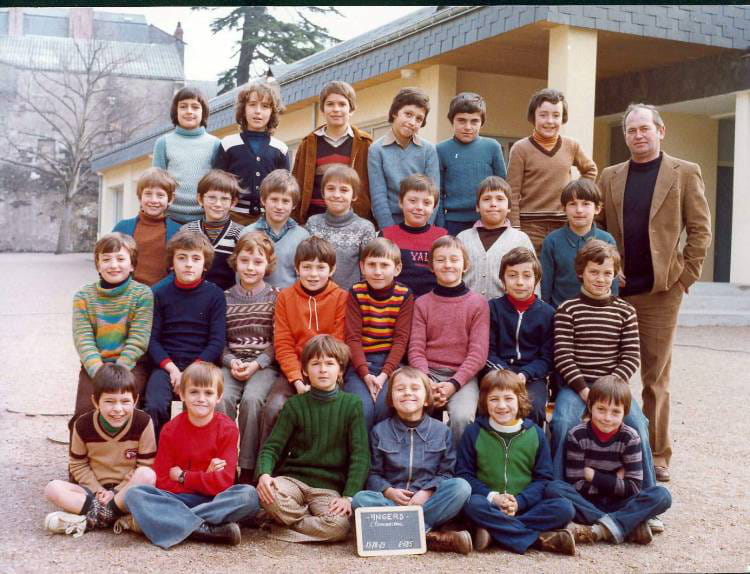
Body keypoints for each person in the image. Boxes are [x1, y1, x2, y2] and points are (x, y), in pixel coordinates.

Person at [599, 103, 712, 482]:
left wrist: (685, 277)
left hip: (661, 292)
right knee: (611, 376)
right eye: (631, 130)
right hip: (616, 292)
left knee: (655, 378)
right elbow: (600, 228)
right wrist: (608, 268)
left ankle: (657, 453)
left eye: (644, 128)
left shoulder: (685, 172)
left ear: (660, 131)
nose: (638, 135)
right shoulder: (610, 176)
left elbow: (700, 229)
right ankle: (610, 449)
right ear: (625, 135)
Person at [118, 362, 260, 549]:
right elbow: (162, 480)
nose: (201, 399)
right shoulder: (170, 430)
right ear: (182, 394)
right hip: (179, 499)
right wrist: (206, 477)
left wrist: (183, 476)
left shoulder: (227, 429)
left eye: (208, 393)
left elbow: (224, 483)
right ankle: (206, 529)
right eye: (194, 392)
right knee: (135, 495)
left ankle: (170, 522)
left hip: (215, 499)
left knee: (248, 496)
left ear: (219, 396)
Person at [551, 240, 655, 489]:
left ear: (616, 275)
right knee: (563, 423)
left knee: (638, 425)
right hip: (577, 387)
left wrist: (607, 391)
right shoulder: (568, 309)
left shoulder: (625, 311)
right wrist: (585, 391)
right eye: (594, 272)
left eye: (607, 273)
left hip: (613, 389)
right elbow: (563, 356)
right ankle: (558, 490)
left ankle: (647, 492)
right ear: (581, 272)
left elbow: (630, 357)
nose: (600, 279)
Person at [256, 335, 369, 542]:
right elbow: (272, 447)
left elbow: (360, 456)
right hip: (293, 481)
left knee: (339, 526)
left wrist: (348, 496)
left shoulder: (352, 405)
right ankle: (305, 522)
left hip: (328, 489)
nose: (323, 369)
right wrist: (264, 474)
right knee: (268, 496)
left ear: (340, 370)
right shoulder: (295, 405)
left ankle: (279, 525)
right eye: (316, 364)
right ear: (306, 371)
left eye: (329, 364)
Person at [352, 366, 473, 554]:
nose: (407, 393)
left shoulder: (441, 431)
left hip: (428, 502)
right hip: (392, 504)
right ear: (391, 399)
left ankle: (404, 532)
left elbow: (446, 473)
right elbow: (373, 473)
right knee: (360, 500)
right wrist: (388, 491)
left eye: (415, 388)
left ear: (427, 399)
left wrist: (427, 492)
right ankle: (428, 536)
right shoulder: (379, 431)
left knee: (461, 487)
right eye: (400, 389)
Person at [458, 370, 576, 555]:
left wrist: (519, 502)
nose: (501, 405)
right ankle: (538, 539)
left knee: (564, 508)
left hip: (525, 507)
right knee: (472, 505)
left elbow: (543, 479)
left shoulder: (536, 434)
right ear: (484, 401)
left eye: (508, 398)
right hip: (489, 505)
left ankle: (494, 533)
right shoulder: (474, 432)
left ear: (520, 399)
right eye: (494, 399)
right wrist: (493, 497)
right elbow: (464, 474)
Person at [545, 376, 672, 546]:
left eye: (615, 412)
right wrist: (615, 480)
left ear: (625, 412)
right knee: (554, 488)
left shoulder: (631, 437)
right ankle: (625, 525)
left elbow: (634, 487)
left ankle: (600, 529)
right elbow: (577, 485)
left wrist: (593, 476)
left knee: (662, 495)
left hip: (620, 502)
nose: (607, 418)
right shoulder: (577, 435)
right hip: (587, 502)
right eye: (601, 409)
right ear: (590, 407)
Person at [44, 364, 156, 537]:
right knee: (52, 488)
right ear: (96, 402)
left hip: (127, 491)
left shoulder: (143, 421)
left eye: (125, 401)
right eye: (109, 401)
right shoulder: (82, 424)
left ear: (135, 400)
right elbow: (78, 464)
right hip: (93, 492)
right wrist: (98, 491)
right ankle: (116, 515)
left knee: (147, 475)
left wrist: (116, 493)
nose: (118, 409)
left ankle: (90, 519)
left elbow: (145, 463)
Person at [260, 236, 348, 443]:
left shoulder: (341, 297)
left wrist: (321, 378)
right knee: (273, 408)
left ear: (332, 270)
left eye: (320, 267)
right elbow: (283, 344)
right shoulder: (285, 297)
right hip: (294, 371)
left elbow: (338, 344)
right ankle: (265, 462)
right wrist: (298, 380)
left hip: (329, 371)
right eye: (307, 267)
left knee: (333, 413)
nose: (313, 274)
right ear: (297, 268)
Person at [144, 230, 226, 439]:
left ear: (205, 264)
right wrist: (172, 369)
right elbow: (152, 340)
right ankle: (157, 453)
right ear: (172, 263)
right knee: (154, 404)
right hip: (167, 365)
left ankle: (199, 452)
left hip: (201, 365)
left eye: (195, 259)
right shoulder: (160, 294)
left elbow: (216, 342)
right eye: (182, 258)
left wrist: (190, 371)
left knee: (201, 405)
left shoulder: (215, 295)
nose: (189, 264)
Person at [408, 235, 489, 446]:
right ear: (431, 266)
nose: (447, 265)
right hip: (427, 373)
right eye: (440, 260)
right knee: (413, 409)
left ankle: (455, 464)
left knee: (462, 417)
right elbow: (416, 349)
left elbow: (478, 354)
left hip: (462, 376)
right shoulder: (422, 303)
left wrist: (453, 384)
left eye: (454, 259)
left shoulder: (478, 304)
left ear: (465, 265)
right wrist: (427, 381)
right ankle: (425, 461)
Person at [70, 233, 153, 431]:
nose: (113, 265)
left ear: (132, 265)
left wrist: (118, 373)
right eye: (106, 259)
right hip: (95, 366)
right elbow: (83, 339)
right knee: (84, 414)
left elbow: (138, 339)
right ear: (98, 265)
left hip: (131, 365)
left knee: (127, 411)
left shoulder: (142, 294)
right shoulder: (83, 296)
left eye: (120, 259)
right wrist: (100, 373)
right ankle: (80, 451)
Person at [218, 232, 281, 484]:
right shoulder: (224, 298)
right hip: (232, 362)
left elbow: (278, 340)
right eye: (244, 261)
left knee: (253, 400)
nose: (250, 268)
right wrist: (230, 361)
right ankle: (223, 464)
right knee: (221, 397)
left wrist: (257, 363)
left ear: (268, 265)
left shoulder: (276, 296)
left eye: (257, 262)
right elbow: (220, 341)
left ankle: (247, 468)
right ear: (235, 261)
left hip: (263, 365)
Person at [506, 88, 597, 252]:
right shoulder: (520, 149)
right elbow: (512, 192)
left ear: (563, 118)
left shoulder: (572, 146)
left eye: (556, 115)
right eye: (543, 115)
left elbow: (590, 170)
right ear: (533, 116)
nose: (550, 121)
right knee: (532, 268)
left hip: (564, 225)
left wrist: (576, 193)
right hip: (530, 228)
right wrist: (516, 230)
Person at [344, 238, 414, 431]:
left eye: (384, 265)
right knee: (361, 408)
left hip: (391, 364)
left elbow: (401, 341)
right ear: (362, 267)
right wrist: (366, 375)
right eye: (372, 265)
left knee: (386, 406)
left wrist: (384, 375)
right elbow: (353, 338)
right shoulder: (356, 292)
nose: (377, 271)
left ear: (397, 269)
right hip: (360, 362)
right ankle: (361, 451)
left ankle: (382, 450)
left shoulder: (404, 295)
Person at [486, 247, 554, 427]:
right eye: (512, 275)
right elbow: (487, 352)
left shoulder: (548, 313)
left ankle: (532, 443)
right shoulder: (492, 309)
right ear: (502, 280)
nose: (520, 282)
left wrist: (525, 374)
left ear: (536, 279)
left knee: (534, 407)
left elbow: (547, 358)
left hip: (532, 376)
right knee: (487, 406)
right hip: (497, 372)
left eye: (527, 276)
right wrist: (505, 374)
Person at [292, 80, 373, 223]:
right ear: (322, 109)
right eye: (330, 104)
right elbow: (297, 183)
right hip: (314, 220)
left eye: (342, 104)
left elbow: (372, 186)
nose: (336, 109)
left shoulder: (365, 143)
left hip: (353, 221)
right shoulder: (308, 144)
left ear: (351, 110)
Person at [214, 81, 290, 226]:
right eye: (252, 104)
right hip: (232, 217)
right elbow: (217, 184)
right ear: (243, 109)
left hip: (268, 219)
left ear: (272, 112)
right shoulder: (228, 144)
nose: (258, 111)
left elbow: (284, 189)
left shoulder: (280, 149)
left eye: (265, 106)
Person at [368, 87, 440, 228]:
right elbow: (378, 197)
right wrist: (389, 231)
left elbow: (434, 195)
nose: (412, 122)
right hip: (391, 222)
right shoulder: (377, 150)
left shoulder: (428, 150)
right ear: (395, 112)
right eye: (408, 114)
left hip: (422, 223)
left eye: (419, 119)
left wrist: (425, 228)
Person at [540, 178, 618, 308]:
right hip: (560, 312)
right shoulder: (552, 241)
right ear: (564, 208)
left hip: (598, 313)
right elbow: (545, 284)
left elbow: (613, 284)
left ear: (597, 208)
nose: (579, 210)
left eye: (586, 204)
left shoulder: (607, 240)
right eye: (572, 204)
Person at [437, 92, 507, 235]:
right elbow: (438, 192)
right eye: (461, 120)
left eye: (474, 121)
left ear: (482, 122)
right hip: (453, 223)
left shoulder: (492, 147)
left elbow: (503, 187)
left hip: (488, 220)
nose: (468, 127)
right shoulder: (441, 150)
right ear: (452, 120)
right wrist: (441, 226)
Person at [458, 176, 534, 300]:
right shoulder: (462, 238)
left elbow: (533, 279)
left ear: (509, 207)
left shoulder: (521, 240)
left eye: (500, 199)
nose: (493, 204)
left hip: (507, 310)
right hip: (466, 309)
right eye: (487, 199)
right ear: (477, 206)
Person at [153, 86, 220, 224]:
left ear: (203, 112)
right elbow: (156, 183)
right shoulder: (163, 143)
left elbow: (218, 184)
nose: (189, 111)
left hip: (205, 219)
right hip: (170, 218)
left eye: (195, 107)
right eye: (183, 106)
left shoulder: (215, 144)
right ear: (175, 111)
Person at [305, 165, 377, 290]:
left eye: (344, 190)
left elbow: (368, 270)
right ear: (323, 193)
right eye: (331, 189)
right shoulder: (312, 223)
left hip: (350, 297)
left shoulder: (365, 228)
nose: (336, 195)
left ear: (354, 195)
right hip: (316, 295)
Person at [380, 174, 447, 297]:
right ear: (401, 202)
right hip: (394, 302)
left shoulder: (442, 237)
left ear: (434, 207)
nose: (419, 207)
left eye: (427, 203)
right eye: (412, 201)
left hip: (432, 303)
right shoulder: (386, 236)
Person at [112, 167, 182, 286]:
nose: (154, 200)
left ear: (170, 199)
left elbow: (177, 271)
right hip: (127, 294)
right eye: (148, 194)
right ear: (140, 197)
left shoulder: (178, 232)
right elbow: (111, 263)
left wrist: (154, 292)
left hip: (162, 294)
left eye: (160, 195)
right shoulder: (122, 228)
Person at [241, 169, 310, 289]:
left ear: (294, 205)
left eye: (285, 201)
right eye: (274, 199)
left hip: (290, 297)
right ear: (263, 200)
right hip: (256, 298)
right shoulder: (247, 233)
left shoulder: (302, 236)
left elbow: (304, 275)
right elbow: (241, 274)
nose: (279, 206)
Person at [179, 169, 245, 290]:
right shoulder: (187, 231)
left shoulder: (240, 234)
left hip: (227, 297)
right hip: (193, 294)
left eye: (224, 199)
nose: (218, 204)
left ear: (233, 202)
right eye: (212, 197)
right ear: (200, 199)